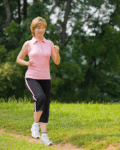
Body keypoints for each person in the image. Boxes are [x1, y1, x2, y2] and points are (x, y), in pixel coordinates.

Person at [16, 16, 60, 146]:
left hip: (46, 78)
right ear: (33, 29)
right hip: (32, 77)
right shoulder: (28, 44)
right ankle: (35, 125)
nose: (41, 30)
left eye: (43, 28)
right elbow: (19, 58)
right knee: (40, 97)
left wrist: (57, 52)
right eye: (38, 28)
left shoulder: (49, 43)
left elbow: (56, 62)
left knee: (45, 106)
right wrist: (27, 63)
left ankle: (44, 136)